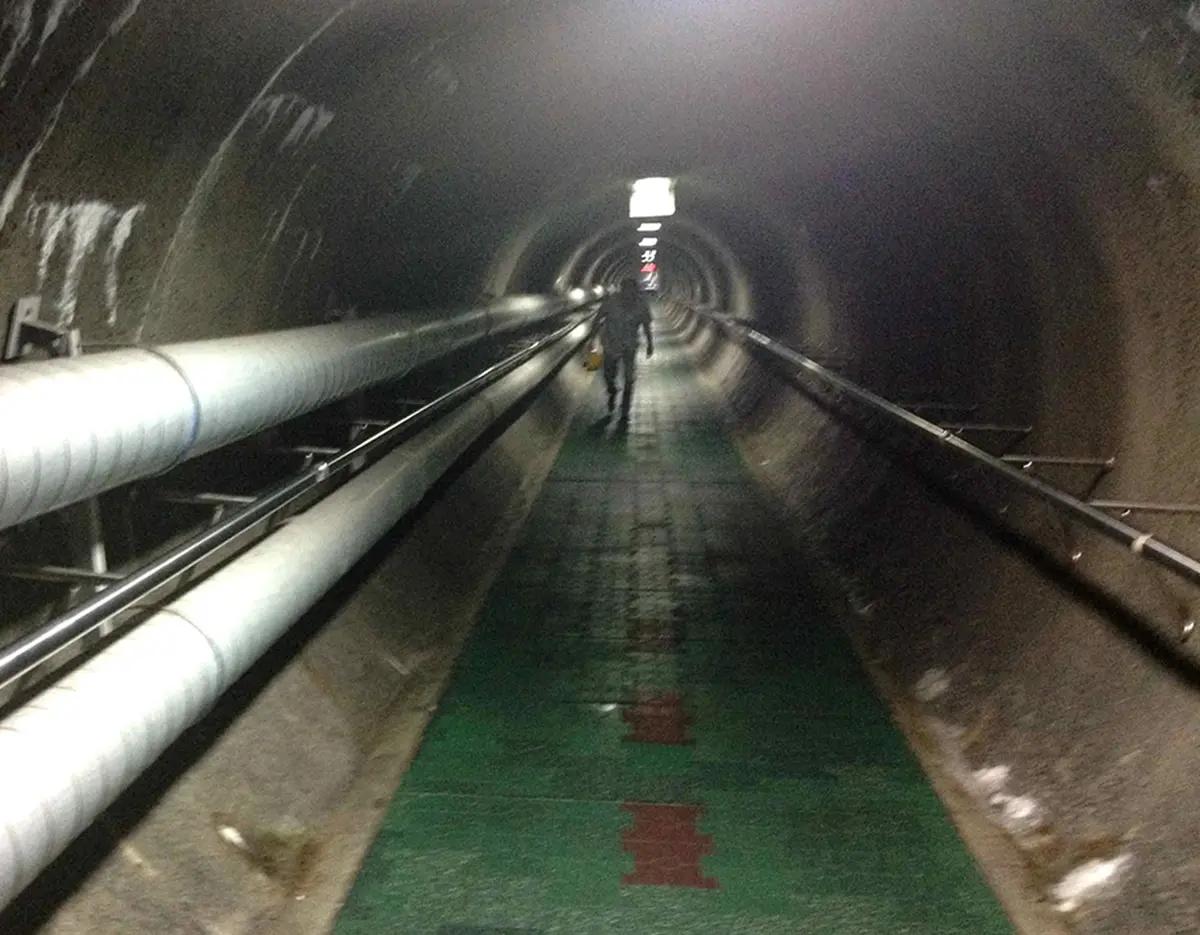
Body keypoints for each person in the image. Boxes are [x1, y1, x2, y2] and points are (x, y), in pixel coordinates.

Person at [598, 277, 653, 418]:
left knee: (629, 377)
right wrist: (592, 338)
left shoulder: (642, 305)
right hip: (611, 344)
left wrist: (650, 344)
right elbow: (598, 317)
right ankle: (612, 390)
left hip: (630, 345)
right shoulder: (611, 302)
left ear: (636, 291)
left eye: (632, 291)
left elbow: (646, 325)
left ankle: (625, 406)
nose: (629, 294)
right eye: (626, 291)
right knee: (608, 374)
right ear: (621, 290)